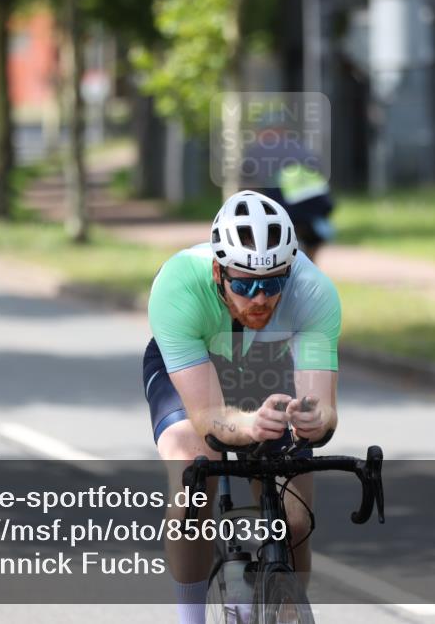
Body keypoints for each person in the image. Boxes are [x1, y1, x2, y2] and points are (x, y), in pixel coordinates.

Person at [143, 190, 341, 624]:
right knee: (192, 473)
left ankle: (285, 610)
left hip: (268, 366)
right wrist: (252, 425)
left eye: (272, 284)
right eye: (245, 283)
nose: (260, 298)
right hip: (196, 366)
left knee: (295, 517)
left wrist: (313, 421)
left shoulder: (313, 292)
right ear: (218, 271)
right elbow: (208, 417)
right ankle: (190, 618)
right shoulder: (178, 286)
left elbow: (325, 410)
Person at [240, 114, 335, 261]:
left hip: (285, 204)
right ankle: (310, 263)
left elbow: (248, 188)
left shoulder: (256, 151)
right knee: (312, 235)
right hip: (317, 204)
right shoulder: (301, 147)